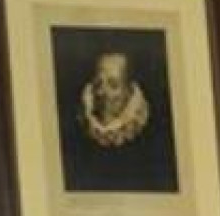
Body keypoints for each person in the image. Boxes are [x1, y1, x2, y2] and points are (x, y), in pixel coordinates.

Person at [58, 47, 178, 193]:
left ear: (129, 90)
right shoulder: (76, 131)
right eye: (98, 84)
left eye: (113, 85)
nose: (102, 92)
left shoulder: (157, 141)